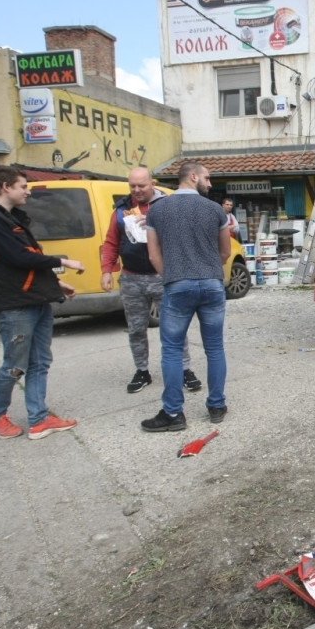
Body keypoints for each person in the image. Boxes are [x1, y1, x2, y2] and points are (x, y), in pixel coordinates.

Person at [0, 165, 86, 440]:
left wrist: (55, 283)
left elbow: (28, 257)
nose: (27, 192)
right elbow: (17, 257)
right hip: (14, 304)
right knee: (15, 365)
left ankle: (39, 419)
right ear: (5, 187)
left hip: (35, 298)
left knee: (39, 362)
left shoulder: (11, 217)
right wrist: (63, 262)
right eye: (23, 186)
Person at [141, 162, 230, 432]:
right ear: (193, 176)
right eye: (207, 178)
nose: (210, 184)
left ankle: (173, 413)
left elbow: (153, 255)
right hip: (212, 284)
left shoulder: (157, 210)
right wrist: (209, 271)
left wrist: (171, 276)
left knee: (171, 349)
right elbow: (225, 252)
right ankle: (216, 405)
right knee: (214, 347)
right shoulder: (215, 209)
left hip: (177, 284)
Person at [101, 168, 202, 394]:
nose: (137, 190)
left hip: (164, 277)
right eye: (132, 186)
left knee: (174, 327)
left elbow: (185, 234)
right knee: (136, 328)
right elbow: (111, 242)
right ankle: (142, 371)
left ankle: (184, 369)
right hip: (131, 278)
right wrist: (107, 270)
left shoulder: (168, 205)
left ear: (152, 184)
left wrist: (156, 222)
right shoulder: (121, 209)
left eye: (142, 186)